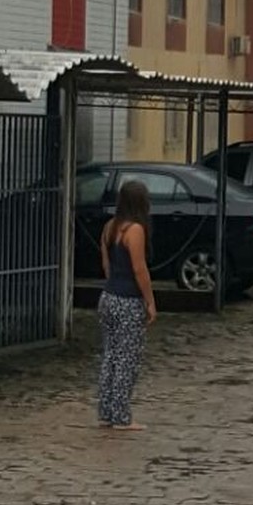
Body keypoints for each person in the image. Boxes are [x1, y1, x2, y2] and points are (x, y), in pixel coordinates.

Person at [97, 179, 156, 430]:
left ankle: (106, 411)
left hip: (108, 297)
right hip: (128, 300)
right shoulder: (135, 230)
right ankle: (121, 415)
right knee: (127, 358)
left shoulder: (110, 227)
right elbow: (139, 269)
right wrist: (150, 301)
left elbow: (106, 264)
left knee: (110, 356)